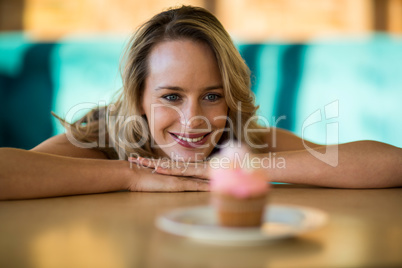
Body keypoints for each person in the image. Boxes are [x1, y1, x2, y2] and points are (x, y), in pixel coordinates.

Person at [0, 6, 401, 200]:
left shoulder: (234, 139)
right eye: (171, 96)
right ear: (139, 96)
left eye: (211, 96)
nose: (193, 120)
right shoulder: (102, 139)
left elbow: (391, 164)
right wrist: (129, 175)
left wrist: (237, 166)